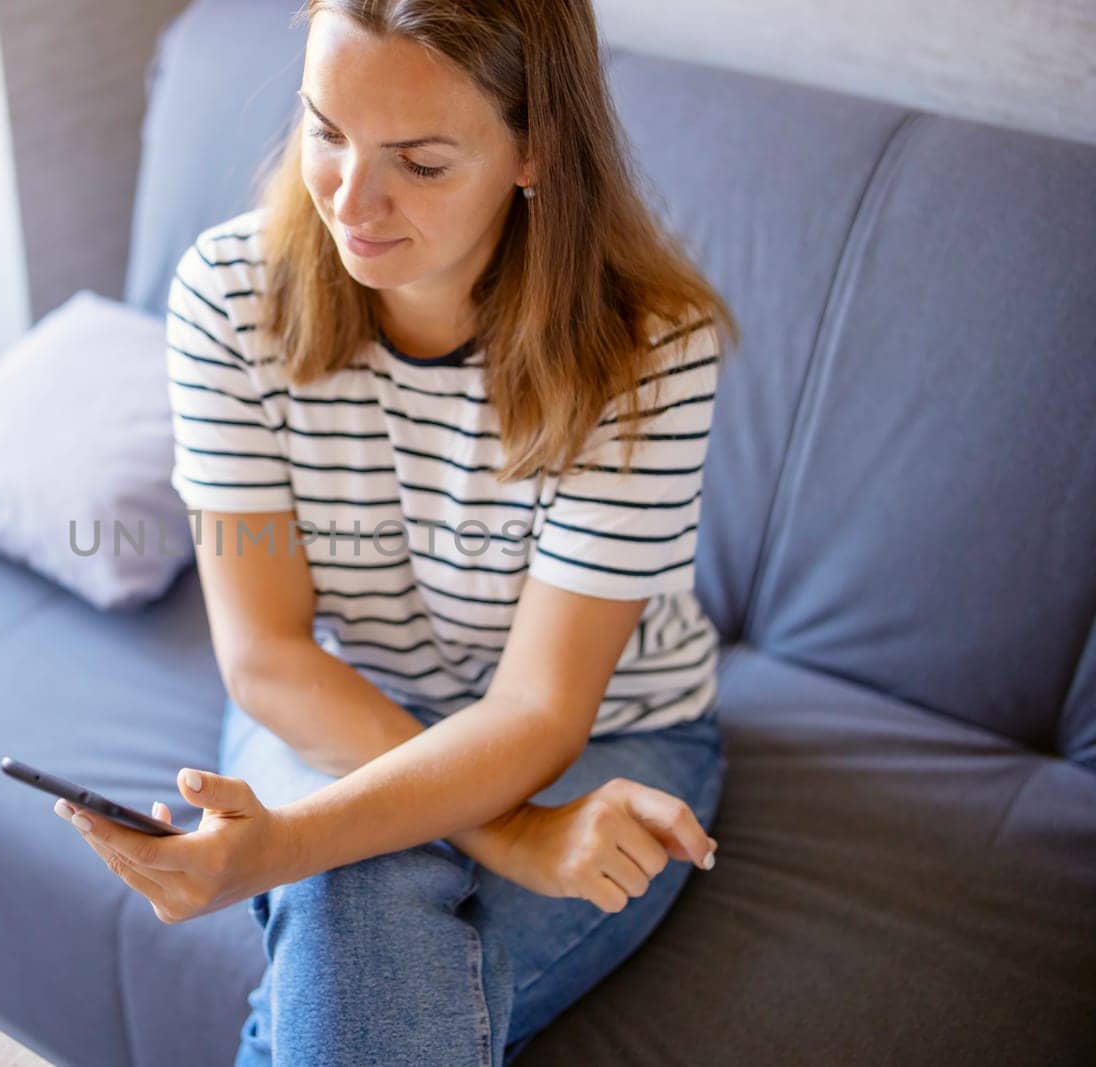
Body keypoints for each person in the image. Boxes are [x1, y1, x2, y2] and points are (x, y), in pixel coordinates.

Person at [53, 1, 741, 1063]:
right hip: (342, 691)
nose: (350, 199)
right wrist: (510, 835)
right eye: (326, 130)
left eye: (419, 163)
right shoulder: (231, 295)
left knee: (338, 968)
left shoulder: (646, 347)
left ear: (536, 150)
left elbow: (539, 707)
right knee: (349, 928)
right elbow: (267, 653)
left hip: (609, 729)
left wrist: (286, 844)